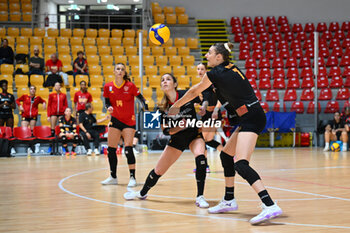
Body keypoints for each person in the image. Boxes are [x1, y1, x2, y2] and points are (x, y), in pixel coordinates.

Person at [166, 42, 282, 225]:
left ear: (219, 57)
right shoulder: (229, 68)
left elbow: (194, 90)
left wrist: (175, 106)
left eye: (210, 53)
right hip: (249, 116)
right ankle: (229, 200)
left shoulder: (216, 73)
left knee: (241, 164)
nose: (206, 56)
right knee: (226, 155)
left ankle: (269, 204)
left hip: (252, 117)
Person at [123, 73, 210, 208]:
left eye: (168, 79)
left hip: (194, 135)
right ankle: (142, 193)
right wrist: (179, 127)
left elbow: (205, 100)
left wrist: (203, 107)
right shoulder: (162, 107)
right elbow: (166, 131)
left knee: (201, 158)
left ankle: (200, 196)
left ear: (175, 84)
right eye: (162, 80)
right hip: (177, 139)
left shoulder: (186, 95)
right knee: (158, 170)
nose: (165, 81)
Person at [101, 63, 148, 187]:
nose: (120, 71)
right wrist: (109, 107)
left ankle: (132, 177)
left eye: (122, 69)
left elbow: (141, 98)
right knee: (111, 149)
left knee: (128, 149)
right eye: (118, 69)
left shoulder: (130, 86)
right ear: (114, 71)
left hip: (128, 121)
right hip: (115, 120)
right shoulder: (108, 86)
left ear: (124, 72)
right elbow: (106, 102)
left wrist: (145, 106)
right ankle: (113, 176)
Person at [197, 63, 224, 152]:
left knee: (203, 140)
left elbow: (221, 97)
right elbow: (205, 100)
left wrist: (216, 110)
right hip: (207, 114)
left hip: (214, 114)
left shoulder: (212, 83)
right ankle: (228, 155)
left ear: (206, 71)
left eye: (202, 69)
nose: (199, 71)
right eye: (198, 69)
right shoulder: (201, 85)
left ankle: (204, 164)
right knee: (208, 140)